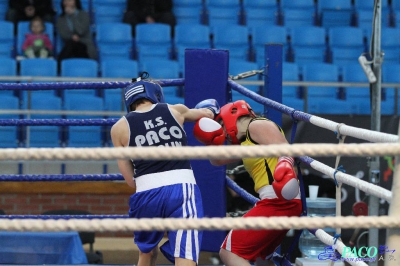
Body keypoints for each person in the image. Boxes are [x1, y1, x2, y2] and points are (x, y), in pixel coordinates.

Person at [110, 74, 217, 266]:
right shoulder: (175, 110)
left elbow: (129, 180)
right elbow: (207, 114)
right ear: (155, 94)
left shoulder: (118, 128)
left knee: (146, 253)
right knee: (185, 255)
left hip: (146, 194)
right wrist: (211, 108)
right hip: (181, 189)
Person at [193, 99, 302, 266]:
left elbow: (287, 151)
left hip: (279, 201)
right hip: (277, 202)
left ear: (230, 117)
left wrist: (285, 168)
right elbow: (216, 160)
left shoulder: (256, 126)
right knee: (262, 260)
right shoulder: (247, 141)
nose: (225, 136)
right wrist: (212, 140)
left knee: (229, 252)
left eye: (221, 129)